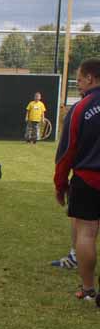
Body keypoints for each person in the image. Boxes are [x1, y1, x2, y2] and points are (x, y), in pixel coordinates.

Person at [54, 58, 100, 303]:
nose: (78, 83)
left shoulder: (80, 108)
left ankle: (88, 289)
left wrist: (60, 184)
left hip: (88, 179)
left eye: (79, 79)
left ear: (90, 78)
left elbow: (66, 152)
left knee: (87, 234)